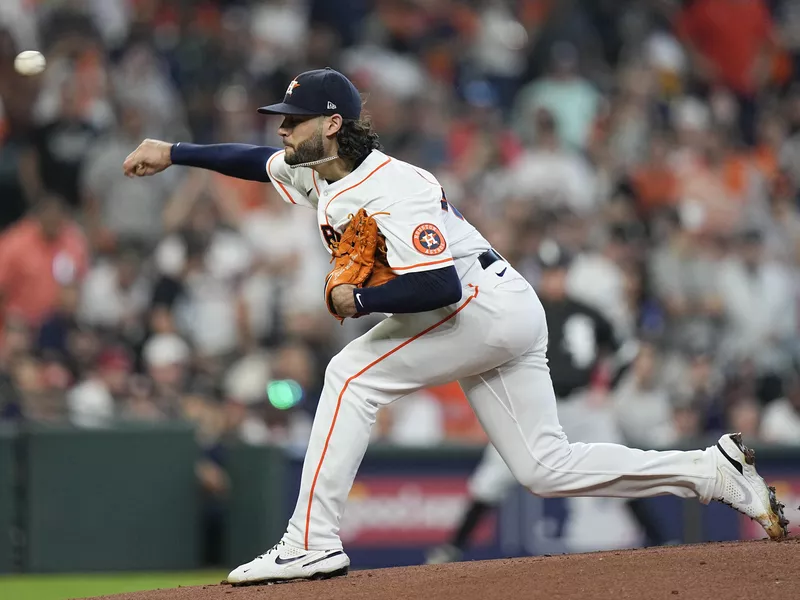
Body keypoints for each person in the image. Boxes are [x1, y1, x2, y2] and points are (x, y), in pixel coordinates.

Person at [123, 67, 788, 586]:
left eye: (291, 120)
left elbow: (439, 285)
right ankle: (711, 471)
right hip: (495, 309)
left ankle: (310, 543)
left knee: (348, 374)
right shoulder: (311, 170)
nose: (280, 129)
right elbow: (246, 159)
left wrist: (362, 299)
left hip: (478, 306)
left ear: (331, 124)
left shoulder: (396, 186)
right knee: (544, 466)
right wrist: (173, 151)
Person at [425, 241, 667, 565]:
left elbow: (626, 350)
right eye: (549, 272)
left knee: (619, 465)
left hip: (582, 406)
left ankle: (662, 540)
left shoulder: (585, 310)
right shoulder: (524, 307)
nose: (554, 278)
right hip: (535, 405)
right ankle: (453, 547)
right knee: (493, 475)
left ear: (567, 273)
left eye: (559, 272)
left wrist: (606, 387)